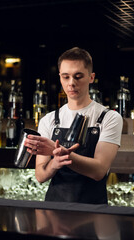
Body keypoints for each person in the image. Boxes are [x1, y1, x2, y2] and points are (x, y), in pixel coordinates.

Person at [25, 47, 123, 204]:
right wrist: (54, 163)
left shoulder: (108, 117)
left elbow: (99, 171)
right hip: (54, 212)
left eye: (78, 77)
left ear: (91, 77)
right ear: (60, 78)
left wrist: (62, 154)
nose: (71, 83)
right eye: (66, 77)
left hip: (93, 211)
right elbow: (40, 175)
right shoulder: (49, 120)